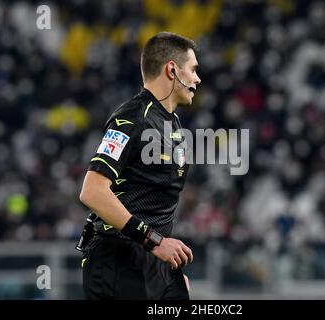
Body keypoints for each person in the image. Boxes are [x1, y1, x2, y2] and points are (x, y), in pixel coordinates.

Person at [78, 32, 201, 300]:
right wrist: (154, 243)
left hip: (153, 263)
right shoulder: (132, 117)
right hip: (118, 262)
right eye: (192, 69)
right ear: (172, 70)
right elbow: (92, 191)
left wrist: (167, 275)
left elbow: (152, 200)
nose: (197, 79)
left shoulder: (174, 125)